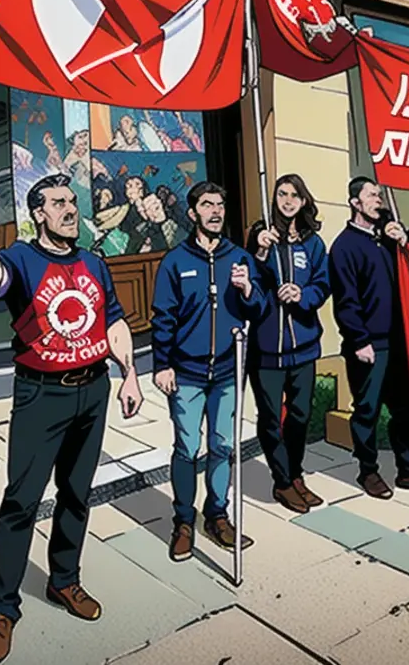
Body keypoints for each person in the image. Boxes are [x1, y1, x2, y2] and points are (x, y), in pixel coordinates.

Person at [0, 174, 144, 665]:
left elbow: (113, 319)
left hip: (93, 390)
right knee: (21, 501)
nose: (70, 209)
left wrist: (128, 373)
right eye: (58, 203)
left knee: (77, 494)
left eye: (72, 201)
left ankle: (65, 580)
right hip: (41, 395)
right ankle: (2, 608)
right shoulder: (21, 257)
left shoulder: (93, 261)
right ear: (38, 213)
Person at [151, 181, 267, 561]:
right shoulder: (175, 261)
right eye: (207, 205)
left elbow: (260, 309)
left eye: (220, 204)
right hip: (185, 373)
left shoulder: (240, 257)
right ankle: (183, 521)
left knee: (223, 446)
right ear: (192, 213)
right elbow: (163, 317)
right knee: (187, 449)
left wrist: (249, 289)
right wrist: (162, 364)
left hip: (228, 373)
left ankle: (217, 515)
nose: (216, 211)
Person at [328, 177, 409, 501]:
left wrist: (404, 244)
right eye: (371, 196)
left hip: (400, 340)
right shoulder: (343, 247)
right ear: (355, 202)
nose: (378, 200)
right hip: (369, 344)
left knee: (404, 409)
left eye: (379, 195)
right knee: (366, 412)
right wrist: (359, 340)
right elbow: (346, 301)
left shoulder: (386, 241)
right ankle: (368, 471)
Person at [246, 175, 331, 514]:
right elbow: (246, 281)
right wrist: (260, 251)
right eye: (282, 194)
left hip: (304, 344)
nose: (287, 200)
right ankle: (281, 482)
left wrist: (303, 294)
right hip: (267, 348)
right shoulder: (260, 233)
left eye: (294, 194)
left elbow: (324, 284)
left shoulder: (312, 242)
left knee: (300, 415)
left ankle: (295, 474)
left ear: (304, 200)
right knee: (270, 418)